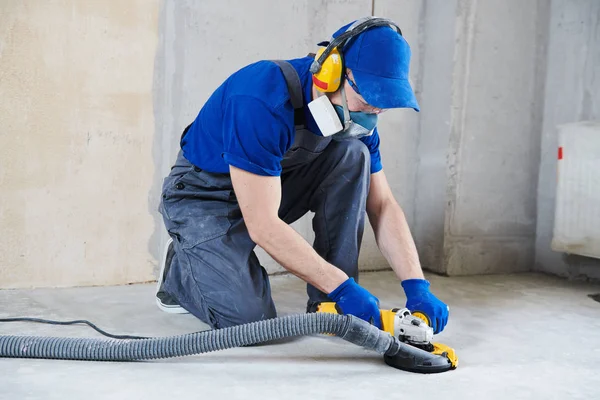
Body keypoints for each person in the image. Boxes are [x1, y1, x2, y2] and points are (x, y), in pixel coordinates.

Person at [155, 16, 449, 334]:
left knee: (352, 155)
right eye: (366, 103)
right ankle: (182, 271)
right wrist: (345, 289)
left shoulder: (356, 122)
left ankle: (328, 302)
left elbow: (382, 205)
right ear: (331, 73)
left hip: (266, 189)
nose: (369, 117)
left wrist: (417, 286)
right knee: (249, 323)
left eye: (379, 110)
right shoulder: (260, 99)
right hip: (203, 197)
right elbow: (264, 226)